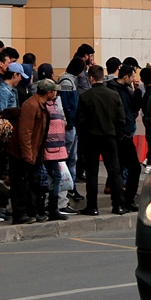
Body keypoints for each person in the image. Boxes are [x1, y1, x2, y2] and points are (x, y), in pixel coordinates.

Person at [76, 64, 126, 215]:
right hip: (110, 137)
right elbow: (121, 118)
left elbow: (80, 121)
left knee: (92, 173)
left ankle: (92, 206)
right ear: (102, 77)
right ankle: (118, 205)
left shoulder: (85, 96)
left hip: (91, 138)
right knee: (114, 171)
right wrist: (118, 135)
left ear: (90, 78)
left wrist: (83, 138)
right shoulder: (113, 95)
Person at [6, 80, 55, 223]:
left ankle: (30, 211)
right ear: (49, 93)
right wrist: (27, 154)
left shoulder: (40, 104)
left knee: (32, 183)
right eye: (54, 91)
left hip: (33, 152)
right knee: (21, 184)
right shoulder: (31, 105)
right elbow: (24, 132)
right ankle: (20, 214)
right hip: (22, 153)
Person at [108, 63, 144, 211]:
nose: (134, 79)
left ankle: (126, 199)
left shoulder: (128, 90)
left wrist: (137, 91)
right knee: (126, 168)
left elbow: (134, 107)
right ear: (125, 77)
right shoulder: (113, 90)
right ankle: (123, 200)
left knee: (130, 168)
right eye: (132, 76)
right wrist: (121, 131)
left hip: (126, 134)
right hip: (120, 135)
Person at [38, 79, 73, 219]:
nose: (56, 93)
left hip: (57, 148)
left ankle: (52, 208)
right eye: (54, 90)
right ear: (49, 92)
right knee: (53, 178)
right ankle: (51, 208)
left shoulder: (54, 104)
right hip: (49, 148)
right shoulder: (43, 107)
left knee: (55, 177)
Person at [58, 58, 86, 200]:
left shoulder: (68, 80)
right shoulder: (67, 82)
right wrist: (70, 121)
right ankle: (69, 187)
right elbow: (68, 104)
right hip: (69, 125)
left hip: (71, 124)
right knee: (70, 158)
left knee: (71, 158)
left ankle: (71, 186)